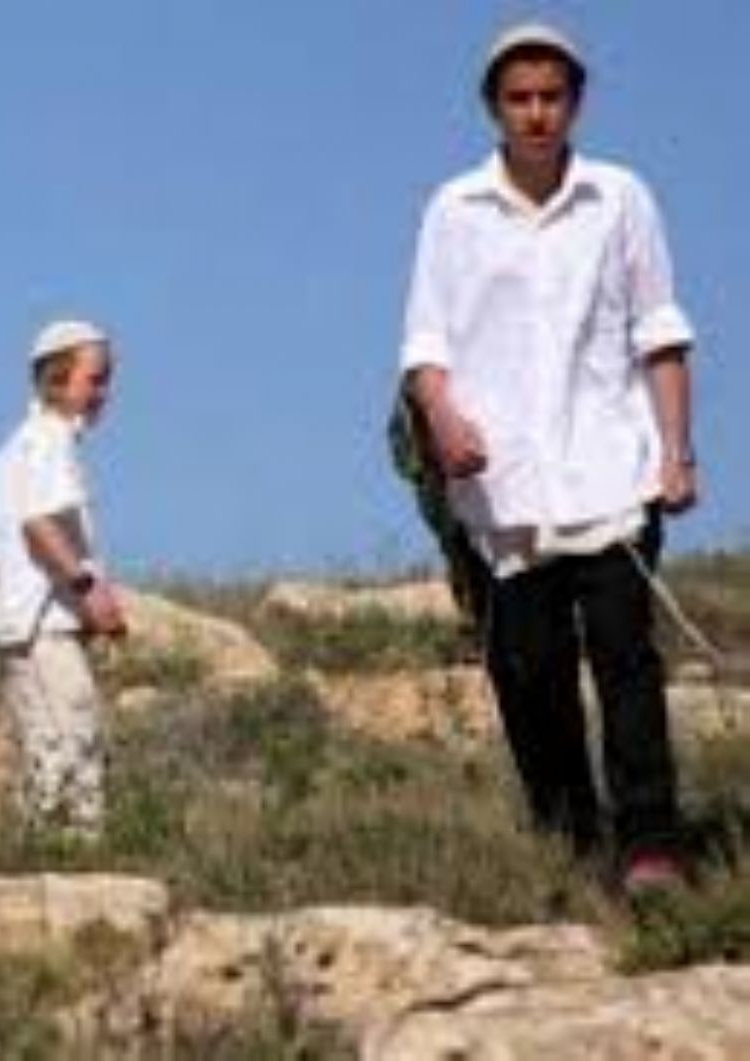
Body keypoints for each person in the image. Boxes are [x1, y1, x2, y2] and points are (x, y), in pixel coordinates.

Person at [400, 24, 699, 893]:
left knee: (626, 659)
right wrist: (443, 417)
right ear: (494, 107)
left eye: (551, 97)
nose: (536, 113)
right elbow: (425, 343)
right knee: (529, 672)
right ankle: (569, 837)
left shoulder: (621, 198)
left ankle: (650, 843)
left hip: (611, 470)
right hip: (505, 489)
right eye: (519, 98)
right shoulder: (454, 210)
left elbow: (659, 331)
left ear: (575, 102)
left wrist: (677, 452)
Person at [0, 319, 127, 836]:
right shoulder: (50, 439)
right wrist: (90, 591)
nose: (103, 392)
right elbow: (38, 525)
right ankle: (84, 856)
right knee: (77, 742)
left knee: (44, 756)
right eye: (95, 379)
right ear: (57, 379)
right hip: (46, 626)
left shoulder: (15, 446)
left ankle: (38, 857)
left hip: (22, 625)